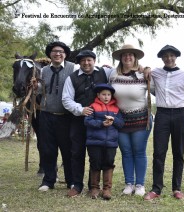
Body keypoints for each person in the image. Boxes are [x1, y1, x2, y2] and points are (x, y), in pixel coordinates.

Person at [144, 45, 184, 200]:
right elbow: (144, 72)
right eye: (165, 56)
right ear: (162, 58)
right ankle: (156, 189)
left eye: (171, 55)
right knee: (159, 153)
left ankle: (177, 188)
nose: (169, 58)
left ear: (176, 57)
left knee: (178, 152)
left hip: (181, 114)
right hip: (162, 114)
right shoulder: (155, 73)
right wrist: (146, 68)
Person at [62, 50, 112, 197]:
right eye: (83, 60)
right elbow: (66, 99)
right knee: (77, 152)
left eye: (89, 60)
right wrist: (80, 109)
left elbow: (121, 70)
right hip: (78, 120)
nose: (86, 63)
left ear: (94, 60)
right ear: (79, 63)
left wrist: (142, 68)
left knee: (95, 154)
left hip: (98, 121)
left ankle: (93, 186)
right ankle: (77, 185)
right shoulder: (72, 78)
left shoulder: (104, 72)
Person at [110, 44, 152, 196]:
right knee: (126, 152)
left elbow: (155, 90)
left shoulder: (143, 75)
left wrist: (148, 69)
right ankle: (129, 184)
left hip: (141, 118)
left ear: (135, 58)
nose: (128, 57)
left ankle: (140, 185)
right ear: (120, 58)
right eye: (124, 55)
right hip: (120, 119)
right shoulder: (113, 74)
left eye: (131, 55)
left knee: (139, 151)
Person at [37, 41, 75, 192]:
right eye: (54, 51)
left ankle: (71, 181)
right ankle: (48, 180)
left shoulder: (73, 68)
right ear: (50, 54)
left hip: (66, 116)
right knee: (47, 149)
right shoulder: (43, 70)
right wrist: (35, 88)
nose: (57, 54)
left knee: (68, 150)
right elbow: (40, 90)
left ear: (65, 54)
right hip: (46, 115)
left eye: (61, 51)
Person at [84, 83, 124, 200]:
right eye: (103, 94)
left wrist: (114, 120)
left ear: (111, 96)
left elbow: (121, 123)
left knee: (109, 163)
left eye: (108, 95)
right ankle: (94, 188)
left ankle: (107, 189)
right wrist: (101, 123)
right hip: (94, 142)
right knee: (95, 163)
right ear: (98, 95)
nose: (106, 97)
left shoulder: (116, 109)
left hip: (111, 143)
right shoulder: (92, 107)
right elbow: (87, 121)